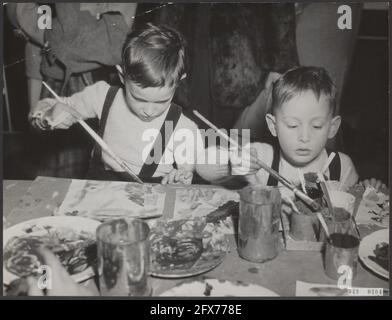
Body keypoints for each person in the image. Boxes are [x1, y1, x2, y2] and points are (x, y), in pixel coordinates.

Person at [29, 23, 203, 185]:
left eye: (161, 101)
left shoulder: (183, 127)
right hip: (100, 190)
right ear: (122, 76)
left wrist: (180, 177)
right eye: (139, 99)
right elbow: (44, 108)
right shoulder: (102, 96)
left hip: (152, 199)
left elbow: (186, 172)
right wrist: (50, 116)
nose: (149, 111)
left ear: (179, 82)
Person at [196, 67, 385, 201]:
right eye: (293, 125)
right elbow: (202, 166)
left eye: (317, 126)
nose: (304, 137)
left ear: (332, 128)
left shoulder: (341, 167)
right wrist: (231, 163)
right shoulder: (263, 157)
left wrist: (370, 192)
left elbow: (353, 209)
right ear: (273, 126)